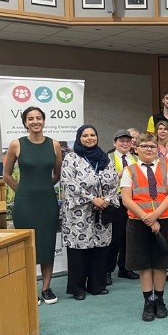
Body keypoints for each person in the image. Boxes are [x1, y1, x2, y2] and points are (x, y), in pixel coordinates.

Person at [4, 107, 62, 305]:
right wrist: (22, 191)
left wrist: (44, 188)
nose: (35, 121)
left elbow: (57, 174)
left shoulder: (54, 145)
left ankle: (46, 288)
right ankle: (31, 288)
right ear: (25, 122)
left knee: (47, 244)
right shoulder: (16, 145)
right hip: (25, 204)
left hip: (47, 202)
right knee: (28, 246)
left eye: (39, 118)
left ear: (44, 121)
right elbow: (7, 174)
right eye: (31, 119)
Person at [120, 133, 168, 322]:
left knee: (161, 263)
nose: (148, 149)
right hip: (138, 222)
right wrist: (146, 218)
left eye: (152, 146)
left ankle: (159, 300)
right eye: (144, 146)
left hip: (164, 220)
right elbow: (126, 199)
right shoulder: (130, 170)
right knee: (144, 264)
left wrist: (156, 215)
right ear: (136, 149)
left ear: (157, 149)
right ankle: (148, 301)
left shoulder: (165, 168)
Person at [61, 125, 118, 300]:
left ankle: (97, 285)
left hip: (101, 211)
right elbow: (68, 182)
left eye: (93, 135)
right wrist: (92, 199)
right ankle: (77, 288)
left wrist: (105, 200)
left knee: (100, 248)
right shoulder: (71, 158)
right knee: (79, 251)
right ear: (79, 138)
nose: (89, 138)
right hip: (79, 212)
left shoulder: (106, 158)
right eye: (85, 135)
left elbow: (115, 181)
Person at [107, 130, 140, 285]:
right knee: (115, 237)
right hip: (117, 202)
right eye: (122, 141)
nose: (125, 144)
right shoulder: (108, 158)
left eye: (128, 141)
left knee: (130, 237)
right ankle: (107, 270)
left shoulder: (136, 158)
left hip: (134, 202)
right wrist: (121, 173)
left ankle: (125, 268)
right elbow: (104, 180)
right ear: (114, 142)